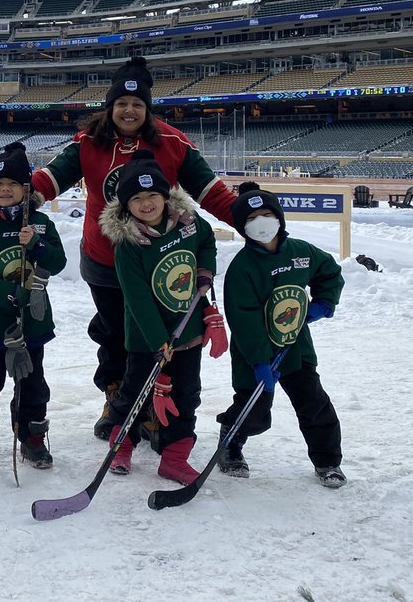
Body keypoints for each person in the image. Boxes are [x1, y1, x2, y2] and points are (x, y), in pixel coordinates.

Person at [30, 55, 238, 439]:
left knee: (158, 336)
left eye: (137, 104)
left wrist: (252, 220)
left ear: (148, 108)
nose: (129, 111)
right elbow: (49, 179)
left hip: (159, 264)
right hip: (105, 261)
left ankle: (155, 406)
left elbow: (212, 193)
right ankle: (118, 399)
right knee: (115, 335)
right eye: (122, 103)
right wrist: (14, 199)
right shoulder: (88, 142)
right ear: (110, 107)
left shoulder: (173, 142)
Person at [98, 151, 226, 483]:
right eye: (136, 198)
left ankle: (174, 457)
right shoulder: (128, 244)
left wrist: (205, 272)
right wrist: (158, 341)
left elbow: (207, 242)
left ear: (165, 195)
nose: (146, 204)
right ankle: (122, 445)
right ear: (126, 204)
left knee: (186, 395)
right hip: (147, 338)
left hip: (187, 333)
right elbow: (138, 299)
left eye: (152, 195)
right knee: (136, 393)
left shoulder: (188, 222)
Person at [218, 182, 347, 488]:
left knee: (313, 403)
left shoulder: (301, 252)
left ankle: (327, 460)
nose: (260, 223)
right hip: (256, 351)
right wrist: (260, 360)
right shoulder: (242, 268)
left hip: (295, 345)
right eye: (251, 219)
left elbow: (329, 271)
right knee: (255, 411)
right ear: (242, 227)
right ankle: (231, 441)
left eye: (266, 215)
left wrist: (324, 302)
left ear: (279, 217)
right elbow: (243, 318)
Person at [0, 142, 66, 474]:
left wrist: (37, 244)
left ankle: (31, 436)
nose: (6, 190)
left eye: (14, 184)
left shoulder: (40, 223)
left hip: (32, 323)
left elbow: (58, 262)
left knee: (32, 384)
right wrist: (10, 294)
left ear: (26, 189)